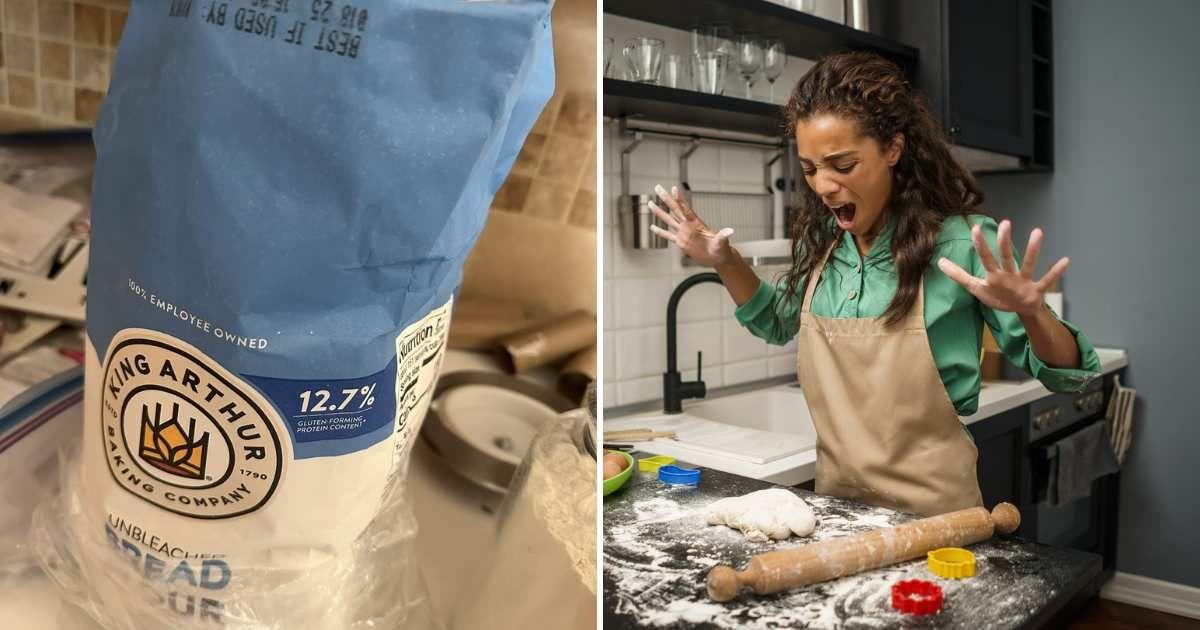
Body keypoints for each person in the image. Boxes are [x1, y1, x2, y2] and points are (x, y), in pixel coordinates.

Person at [647, 51, 1101, 516]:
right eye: (809, 169)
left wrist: (1033, 311)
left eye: (842, 166)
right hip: (835, 516)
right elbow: (776, 322)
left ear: (893, 149)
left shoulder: (961, 243)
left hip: (938, 518)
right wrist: (724, 261)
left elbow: (1070, 375)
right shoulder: (825, 241)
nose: (822, 186)